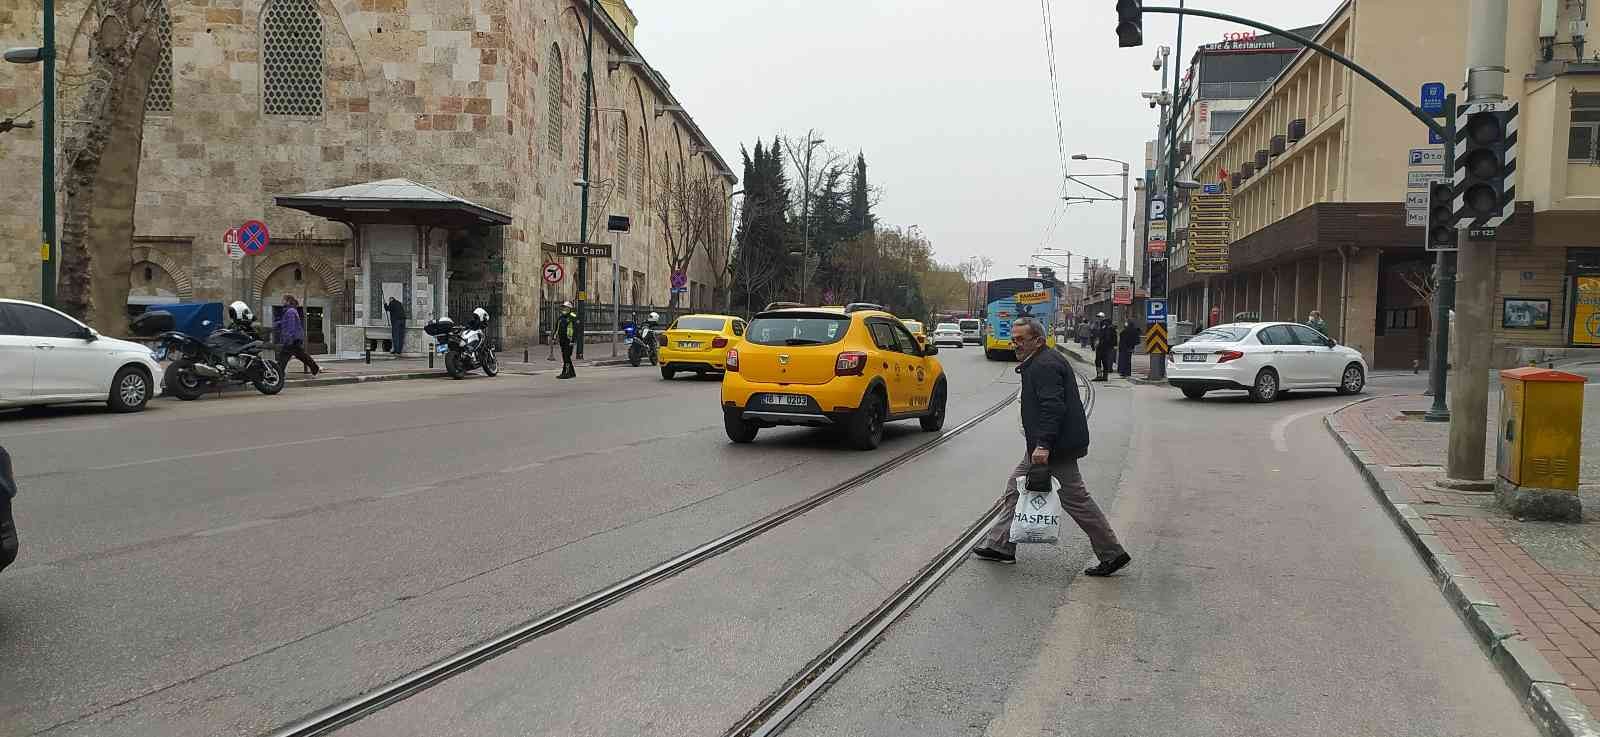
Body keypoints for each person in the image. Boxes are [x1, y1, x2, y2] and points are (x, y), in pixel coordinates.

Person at [972, 317, 1131, 575]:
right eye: (1014, 339)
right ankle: (1000, 545)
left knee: (1077, 500)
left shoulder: (1045, 365)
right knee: (1015, 487)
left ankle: (1112, 553)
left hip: (1054, 446)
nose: (1016, 344)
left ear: (1038, 340)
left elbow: (1053, 407)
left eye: (1021, 340)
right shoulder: (1039, 361)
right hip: (1045, 443)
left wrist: (1044, 445)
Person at [274, 295, 320, 376]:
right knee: (301, 355)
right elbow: (285, 322)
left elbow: (291, 326)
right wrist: (277, 324)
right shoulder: (290, 311)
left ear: (288, 301)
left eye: (283, 300)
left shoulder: (290, 311)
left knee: (283, 356)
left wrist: (288, 339)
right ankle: (314, 367)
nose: (282, 301)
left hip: (292, 339)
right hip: (295, 338)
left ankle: (279, 373)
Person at [556, 301, 579, 379]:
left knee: (566, 356)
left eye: (565, 307)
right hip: (562, 340)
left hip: (569, 340)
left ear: (569, 309)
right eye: (563, 307)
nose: (564, 309)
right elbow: (557, 328)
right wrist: (554, 337)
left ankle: (566, 372)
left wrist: (573, 340)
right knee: (565, 356)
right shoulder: (561, 317)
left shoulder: (573, 316)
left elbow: (576, 329)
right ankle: (572, 373)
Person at [1093, 314, 1116, 381]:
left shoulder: (1104, 325)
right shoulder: (1106, 325)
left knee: (1098, 360)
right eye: (1098, 317)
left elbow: (1104, 337)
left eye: (1099, 317)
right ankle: (1105, 376)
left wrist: (1099, 343)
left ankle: (1099, 375)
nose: (1098, 319)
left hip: (1102, 347)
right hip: (1106, 347)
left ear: (1102, 317)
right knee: (1104, 361)